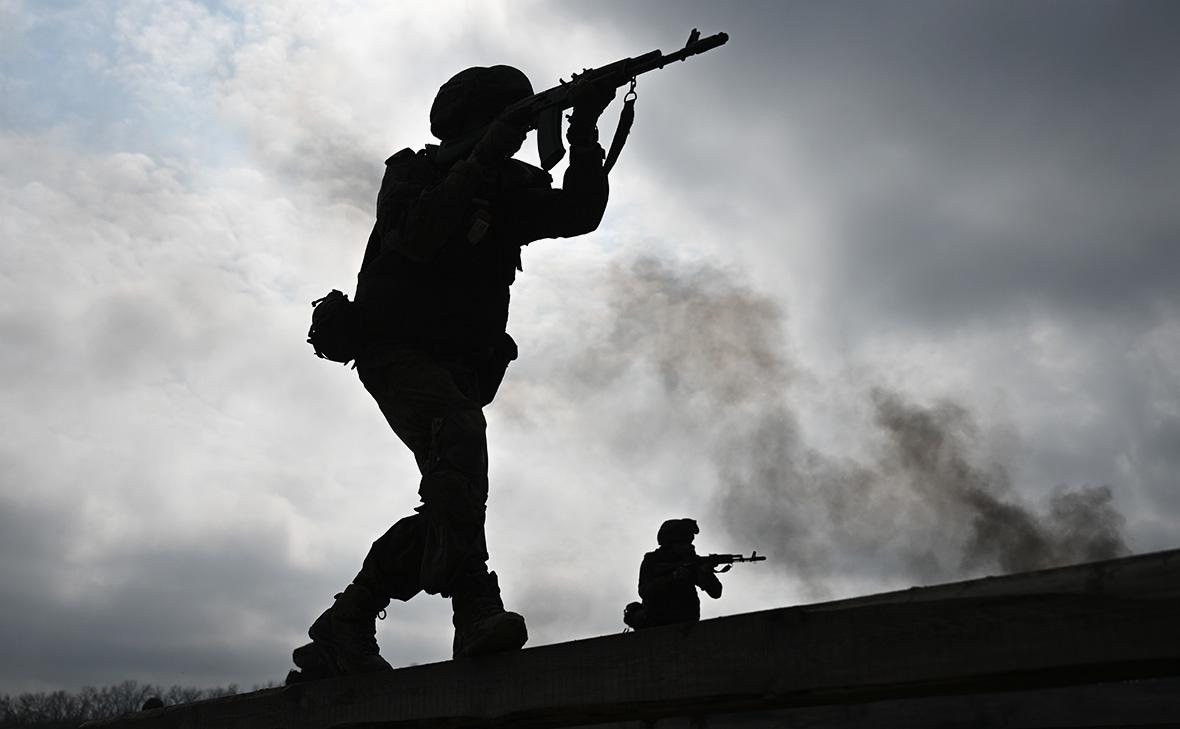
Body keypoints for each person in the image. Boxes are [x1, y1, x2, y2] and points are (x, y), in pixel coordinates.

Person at [300, 65, 616, 676]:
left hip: (462, 366)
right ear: (473, 121)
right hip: (396, 353)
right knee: (462, 449)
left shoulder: (505, 184)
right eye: (507, 121)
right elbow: (419, 236)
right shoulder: (414, 173)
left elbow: (578, 213)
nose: (518, 137)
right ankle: (462, 610)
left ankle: (365, 618)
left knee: (459, 495)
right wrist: (487, 152)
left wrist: (583, 132)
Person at [623, 518, 723, 630]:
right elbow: (644, 591)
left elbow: (716, 592)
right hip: (657, 623)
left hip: (686, 623)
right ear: (670, 543)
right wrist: (672, 578)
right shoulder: (652, 560)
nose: (689, 546)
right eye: (683, 543)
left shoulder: (692, 561)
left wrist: (706, 572)